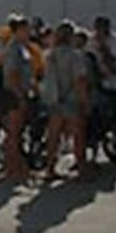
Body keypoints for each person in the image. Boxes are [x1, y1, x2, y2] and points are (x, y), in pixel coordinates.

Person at [40, 21, 91, 179]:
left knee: (53, 135)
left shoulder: (49, 55)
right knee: (78, 135)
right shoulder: (75, 56)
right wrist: (85, 101)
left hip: (54, 99)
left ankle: (49, 168)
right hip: (72, 100)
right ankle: (81, 169)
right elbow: (79, 81)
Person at [1, 14, 35, 181]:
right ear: (19, 30)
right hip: (14, 93)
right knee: (14, 132)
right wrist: (20, 95)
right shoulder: (14, 47)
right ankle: (13, 167)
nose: (29, 32)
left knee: (15, 132)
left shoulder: (21, 46)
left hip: (19, 91)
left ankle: (12, 165)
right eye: (27, 29)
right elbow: (12, 74)